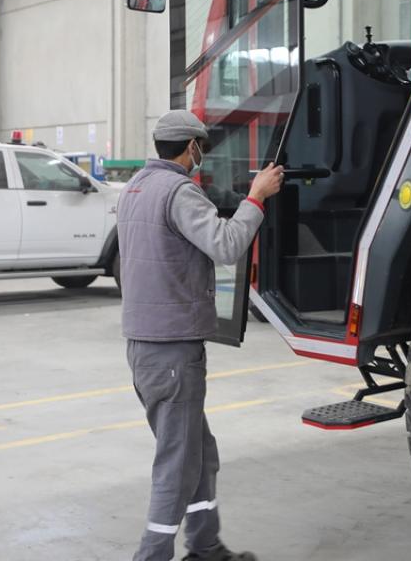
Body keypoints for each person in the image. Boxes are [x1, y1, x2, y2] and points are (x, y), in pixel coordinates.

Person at [118, 109, 284, 561]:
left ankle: (206, 546)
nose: (202, 156)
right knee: (177, 462)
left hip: (145, 347)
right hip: (172, 353)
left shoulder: (135, 189)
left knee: (199, 453)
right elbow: (227, 245)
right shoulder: (179, 191)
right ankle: (152, 556)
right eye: (201, 148)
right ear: (190, 146)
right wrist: (256, 197)